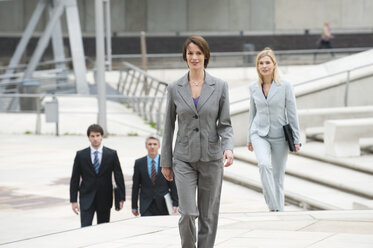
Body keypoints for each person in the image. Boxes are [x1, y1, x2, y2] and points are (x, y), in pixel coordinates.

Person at [161, 35, 234, 248]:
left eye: (198, 53)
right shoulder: (174, 87)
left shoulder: (220, 86)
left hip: (211, 158)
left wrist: (228, 148)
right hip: (183, 159)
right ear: (185, 56)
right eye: (190, 53)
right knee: (187, 214)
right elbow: (168, 126)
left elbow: (226, 124)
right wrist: (166, 161)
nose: (194, 57)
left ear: (205, 56)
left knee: (208, 216)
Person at [247, 48, 301, 212]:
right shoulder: (253, 87)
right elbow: (252, 112)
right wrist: (250, 136)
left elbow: (292, 113)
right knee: (264, 165)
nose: (264, 66)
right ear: (257, 66)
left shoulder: (285, 86)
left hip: (280, 136)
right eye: (261, 63)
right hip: (259, 133)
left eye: (267, 62)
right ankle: (273, 206)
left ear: (274, 65)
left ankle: (278, 210)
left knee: (278, 176)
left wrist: (296, 139)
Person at [70, 124, 126, 227]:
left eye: (97, 135)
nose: (95, 139)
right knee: (85, 228)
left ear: (102, 136)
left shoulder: (111, 154)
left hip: (105, 197)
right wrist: (73, 200)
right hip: (86, 197)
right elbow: (75, 179)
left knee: (103, 229)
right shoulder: (81, 155)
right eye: (92, 136)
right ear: (88, 137)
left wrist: (121, 198)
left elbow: (118, 176)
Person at [131, 136, 178, 216]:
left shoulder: (166, 162)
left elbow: (172, 184)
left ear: (159, 146)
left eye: (155, 144)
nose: (152, 146)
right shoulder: (139, 163)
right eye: (150, 144)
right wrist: (134, 206)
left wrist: (175, 202)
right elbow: (135, 186)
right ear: (146, 146)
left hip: (163, 204)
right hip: (146, 204)